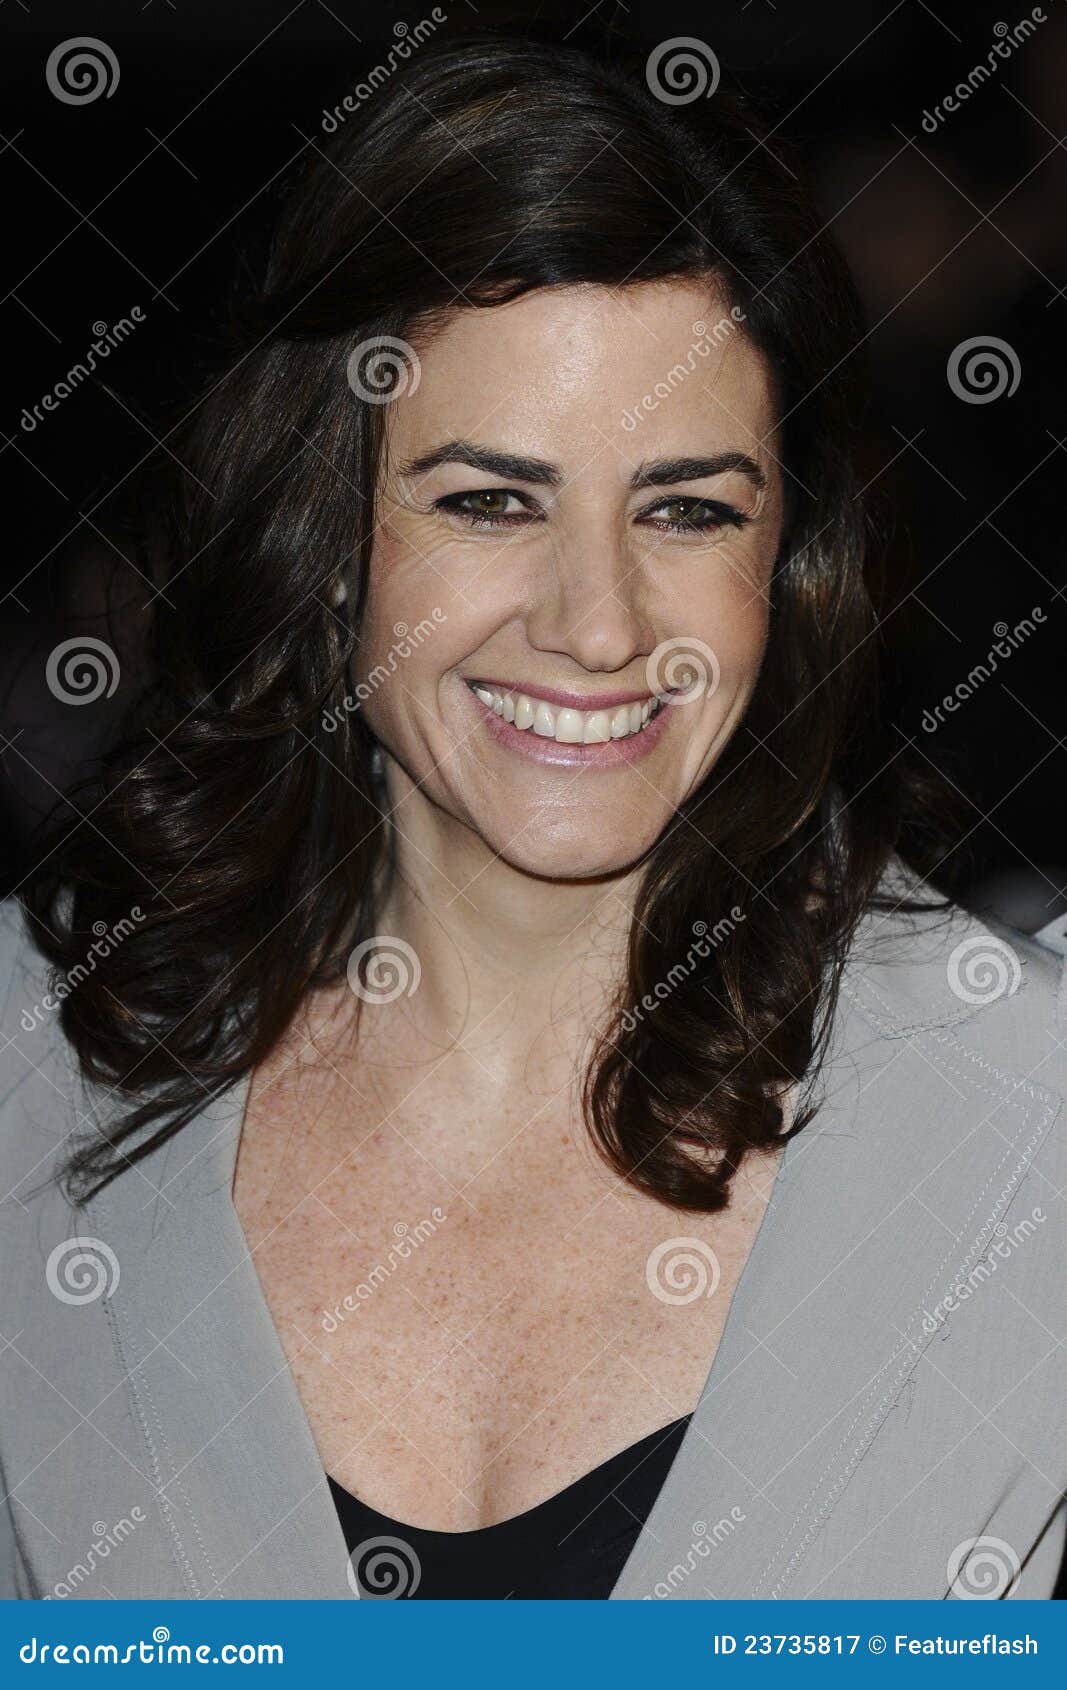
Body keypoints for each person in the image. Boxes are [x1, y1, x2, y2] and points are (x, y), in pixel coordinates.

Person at [1, 29, 1064, 1602]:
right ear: (326, 535)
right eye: (490, 499)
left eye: (686, 508)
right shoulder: (36, 1074)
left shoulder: (1024, 1128)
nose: (597, 622)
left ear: (788, 560)